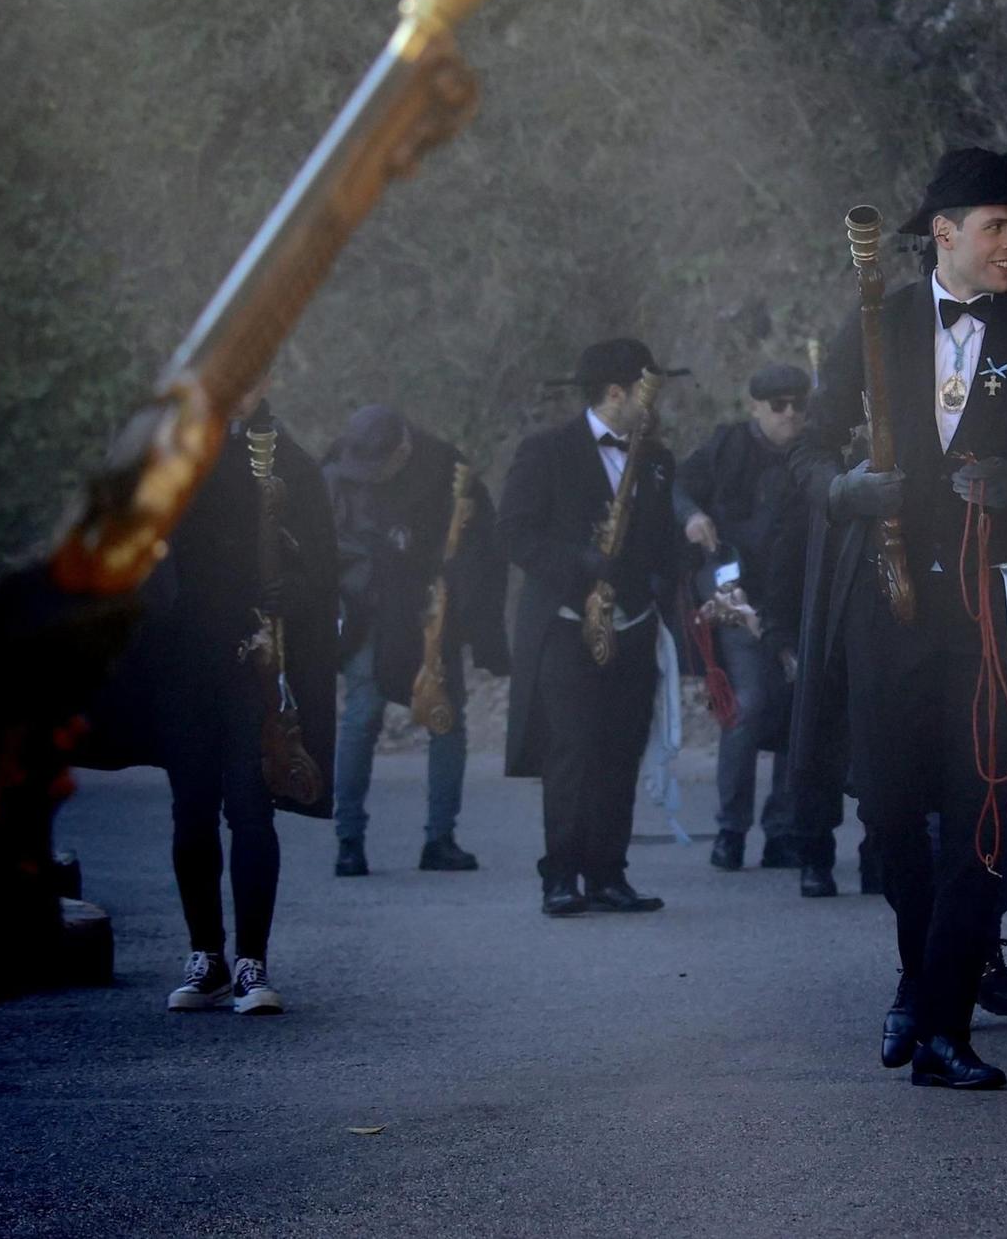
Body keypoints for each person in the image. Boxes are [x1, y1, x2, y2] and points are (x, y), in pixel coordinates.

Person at [789, 146, 1007, 1089]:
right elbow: (802, 452)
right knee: (889, 812)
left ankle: (943, 1021)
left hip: (988, 611)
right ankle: (917, 977)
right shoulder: (874, 324)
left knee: (981, 815)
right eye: (999, 227)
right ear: (946, 233)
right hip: (888, 609)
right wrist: (842, 490)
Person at [89, 396, 337, 1015]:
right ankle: (207, 956)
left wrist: (296, 590)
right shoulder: (165, 449)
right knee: (191, 809)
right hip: (178, 661)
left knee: (252, 808)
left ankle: (253, 961)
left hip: (250, 660)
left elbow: (324, 563)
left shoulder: (289, 461)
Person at [499, 339, 684, 917]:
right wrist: (581, 565)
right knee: (572, 750)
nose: (653, 407)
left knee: (620, 749)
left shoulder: (656, 458)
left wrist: (668, 575)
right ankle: (561, 874)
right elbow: (516, 534)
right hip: (566, 622)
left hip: (632, 622)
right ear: (616, 393)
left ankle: (608, 873)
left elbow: (662, 541)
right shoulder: (546, 451)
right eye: (644, 393)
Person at [323, 405, 508, 877]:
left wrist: (460, 600)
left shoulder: (446, 466)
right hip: (368, 611)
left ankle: (440, 839)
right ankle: (349, 841)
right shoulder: (340, 469)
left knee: (444, 720)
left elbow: (481, 544)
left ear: (402, 449)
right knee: (362, 716)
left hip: (430, 611)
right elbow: (324, 545)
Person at [674, 362, 814, 876]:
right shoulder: (726, 446)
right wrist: (692, 516)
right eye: (778, 405)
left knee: (798, 708)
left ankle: (782, 830)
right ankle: (731, 829)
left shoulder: (814, 453)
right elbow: (679, 486)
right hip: (737, 596)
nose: (790, 414)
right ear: (755, 407)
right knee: (750, 704)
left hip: (796, 599)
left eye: (798, 403)